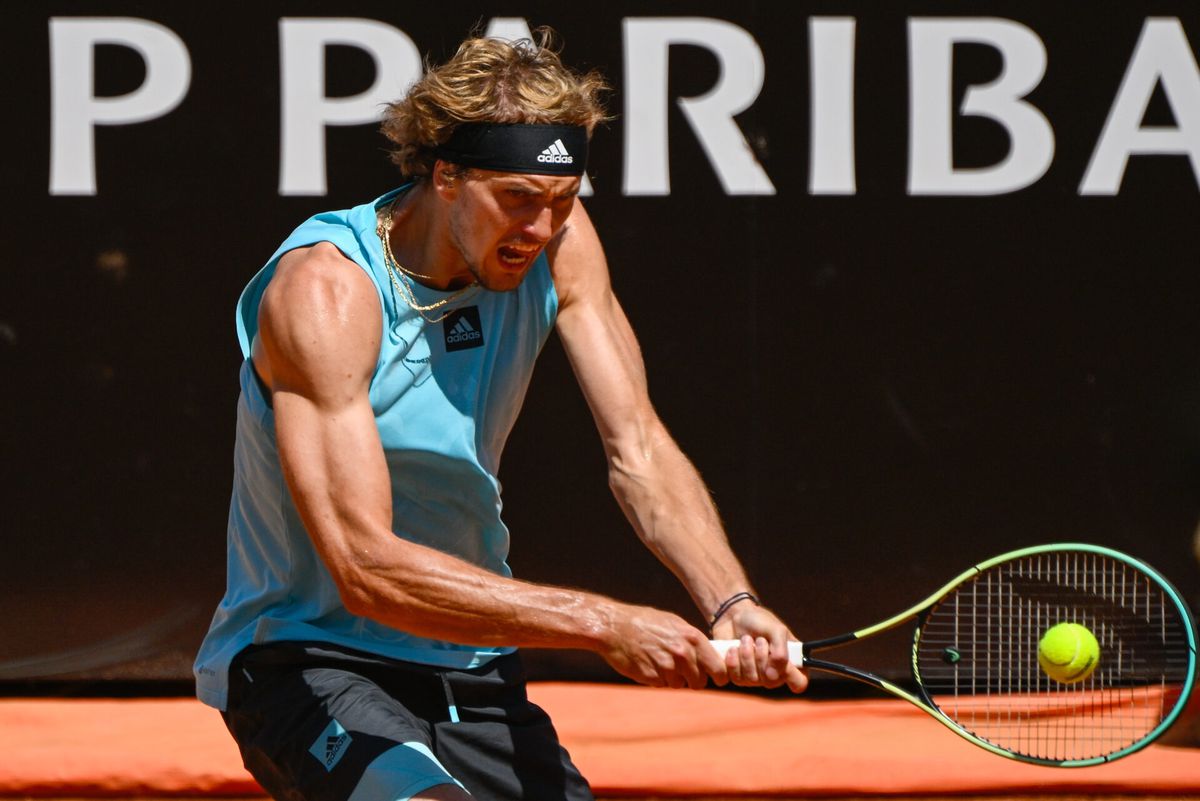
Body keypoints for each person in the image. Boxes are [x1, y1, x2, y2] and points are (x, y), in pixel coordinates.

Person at [194, 29, 807, 801]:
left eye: (562, 200)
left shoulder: (560, 243)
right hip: (308, 658)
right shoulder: (325, 293)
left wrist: (731, 601)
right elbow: (365, 568)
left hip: (467, 661)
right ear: (445, 174)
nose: (540, 229)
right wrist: (602, 622)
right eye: (516, 198)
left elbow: (639, 449)